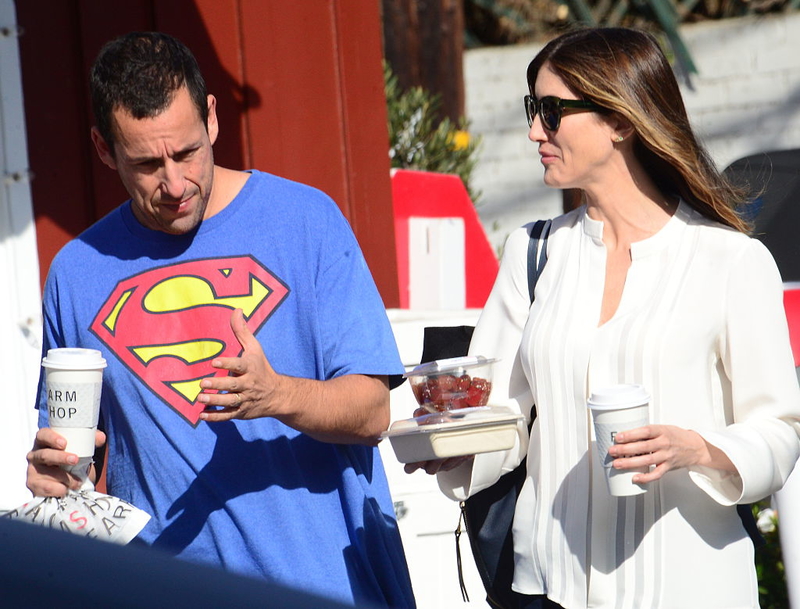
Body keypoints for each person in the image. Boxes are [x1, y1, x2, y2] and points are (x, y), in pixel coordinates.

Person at [407, 27, 800, 608]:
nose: (535, 130)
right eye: (531, 109)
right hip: (546, 589)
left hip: (690, 588)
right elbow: (503, 414)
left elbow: (781, 430)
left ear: (620, 119)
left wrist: (698, 449)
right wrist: (457, 447)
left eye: (551, 111)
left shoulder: (730, 261)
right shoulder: (533, 253)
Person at [25, 31, 415, 608]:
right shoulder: (76, 273)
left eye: (185, 153)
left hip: (326, 586)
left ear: (211, 120)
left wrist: (276, 394)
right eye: (147, 164)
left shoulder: (306, 222)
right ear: (104, 151)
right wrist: (56, 477)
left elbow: (372, 410)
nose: (175, 184)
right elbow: (81, 451)